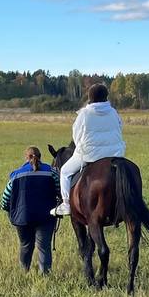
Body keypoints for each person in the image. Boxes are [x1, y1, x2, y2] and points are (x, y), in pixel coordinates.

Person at [52, 82, 125, 216]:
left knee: (65, 172)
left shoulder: (84, 113)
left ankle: (66, 204)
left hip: (89, 155)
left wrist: (81, 147)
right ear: (106, 96)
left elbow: (76, 135)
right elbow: (120, 128)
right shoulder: (114, 112)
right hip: (115, 154)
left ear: (90, 97)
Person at [1, 146, 58, 273]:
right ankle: (45, 275)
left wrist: (9, 211)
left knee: (25, 245)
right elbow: (60, 191)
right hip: (46, 217)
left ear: (26, 158)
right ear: (40, 157)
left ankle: (24, 271)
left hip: (22, 218)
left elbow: (5, 199)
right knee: (44, 247)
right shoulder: (52, 172)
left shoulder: (16, 175)